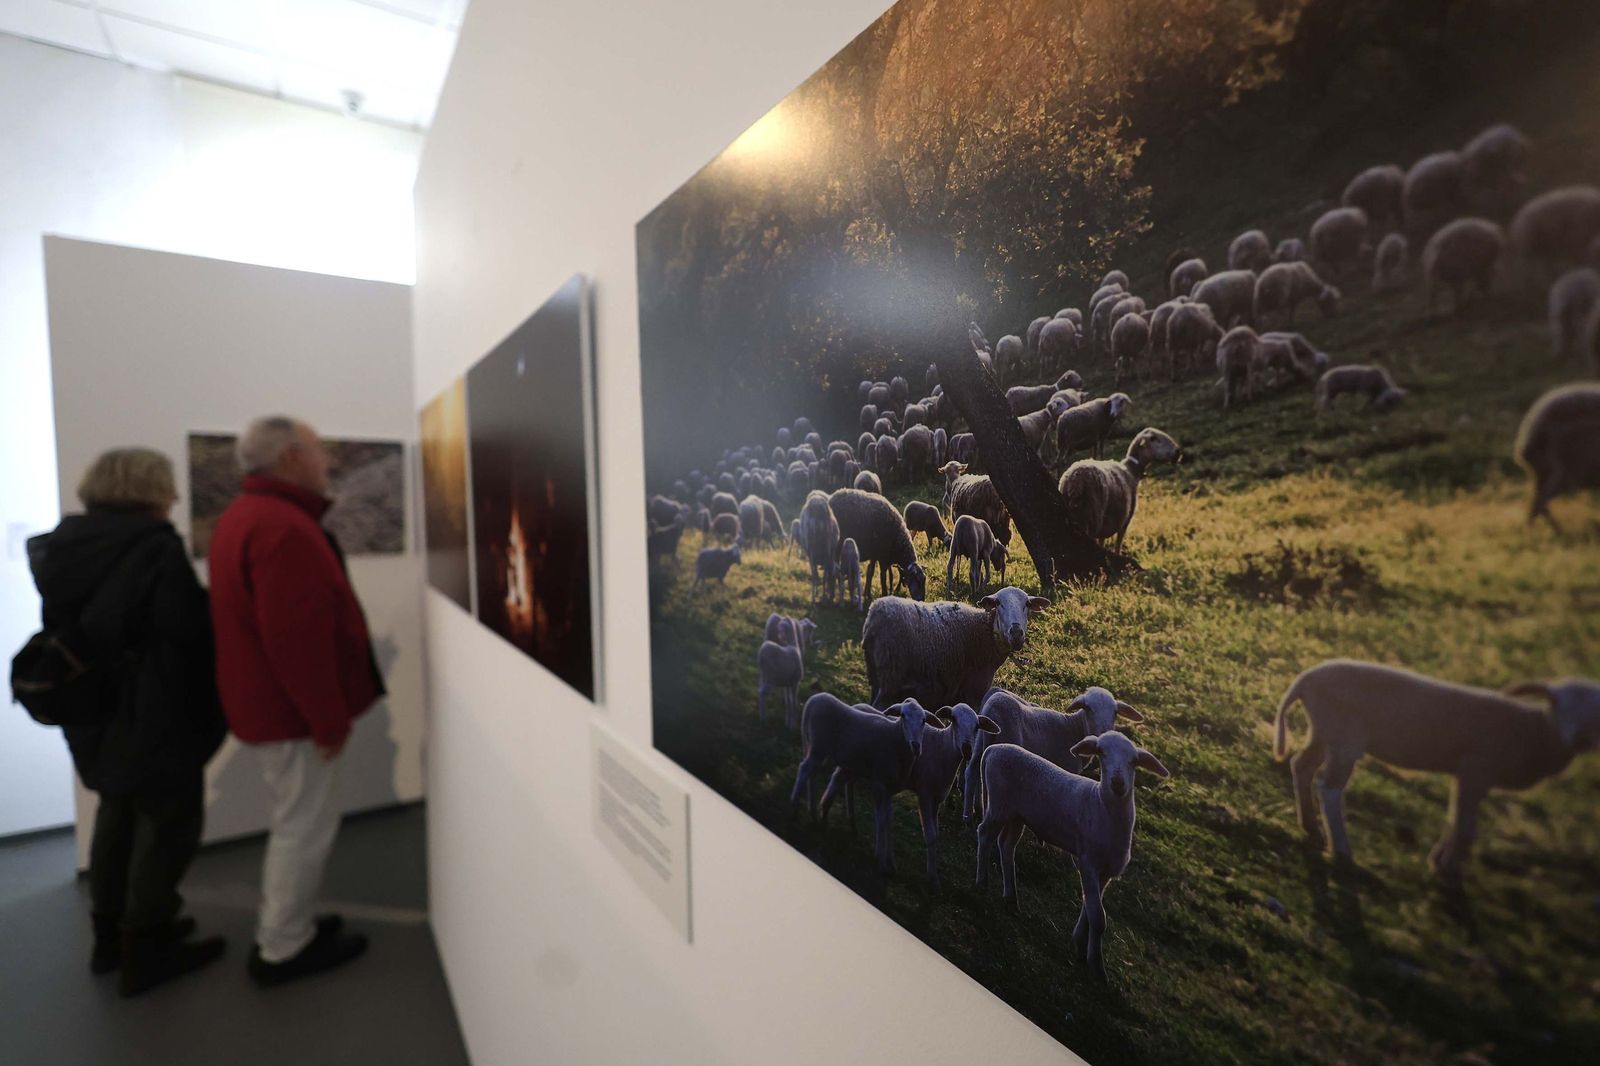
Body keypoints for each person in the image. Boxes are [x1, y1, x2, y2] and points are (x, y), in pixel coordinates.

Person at [27, 448, 228, 997]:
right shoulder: (153, 546)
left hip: (93, 709)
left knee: (116, 815)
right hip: (155, 711)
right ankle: (147, 945)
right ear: (150, 488)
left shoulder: (64, 544)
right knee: (166, 826)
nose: (176, 496)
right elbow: (182, 629)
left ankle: (109, 940)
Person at [208, 416, 378, 985]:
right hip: (290, 714)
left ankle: (290, 926)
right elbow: (297, 642)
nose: (327, 460)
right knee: (302, 828)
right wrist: (327, 719)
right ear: (290, 458)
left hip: (268, 704)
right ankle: (283, 946)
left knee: (296, 822)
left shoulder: (248, 515)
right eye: (317, 450)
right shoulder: (282, 527)